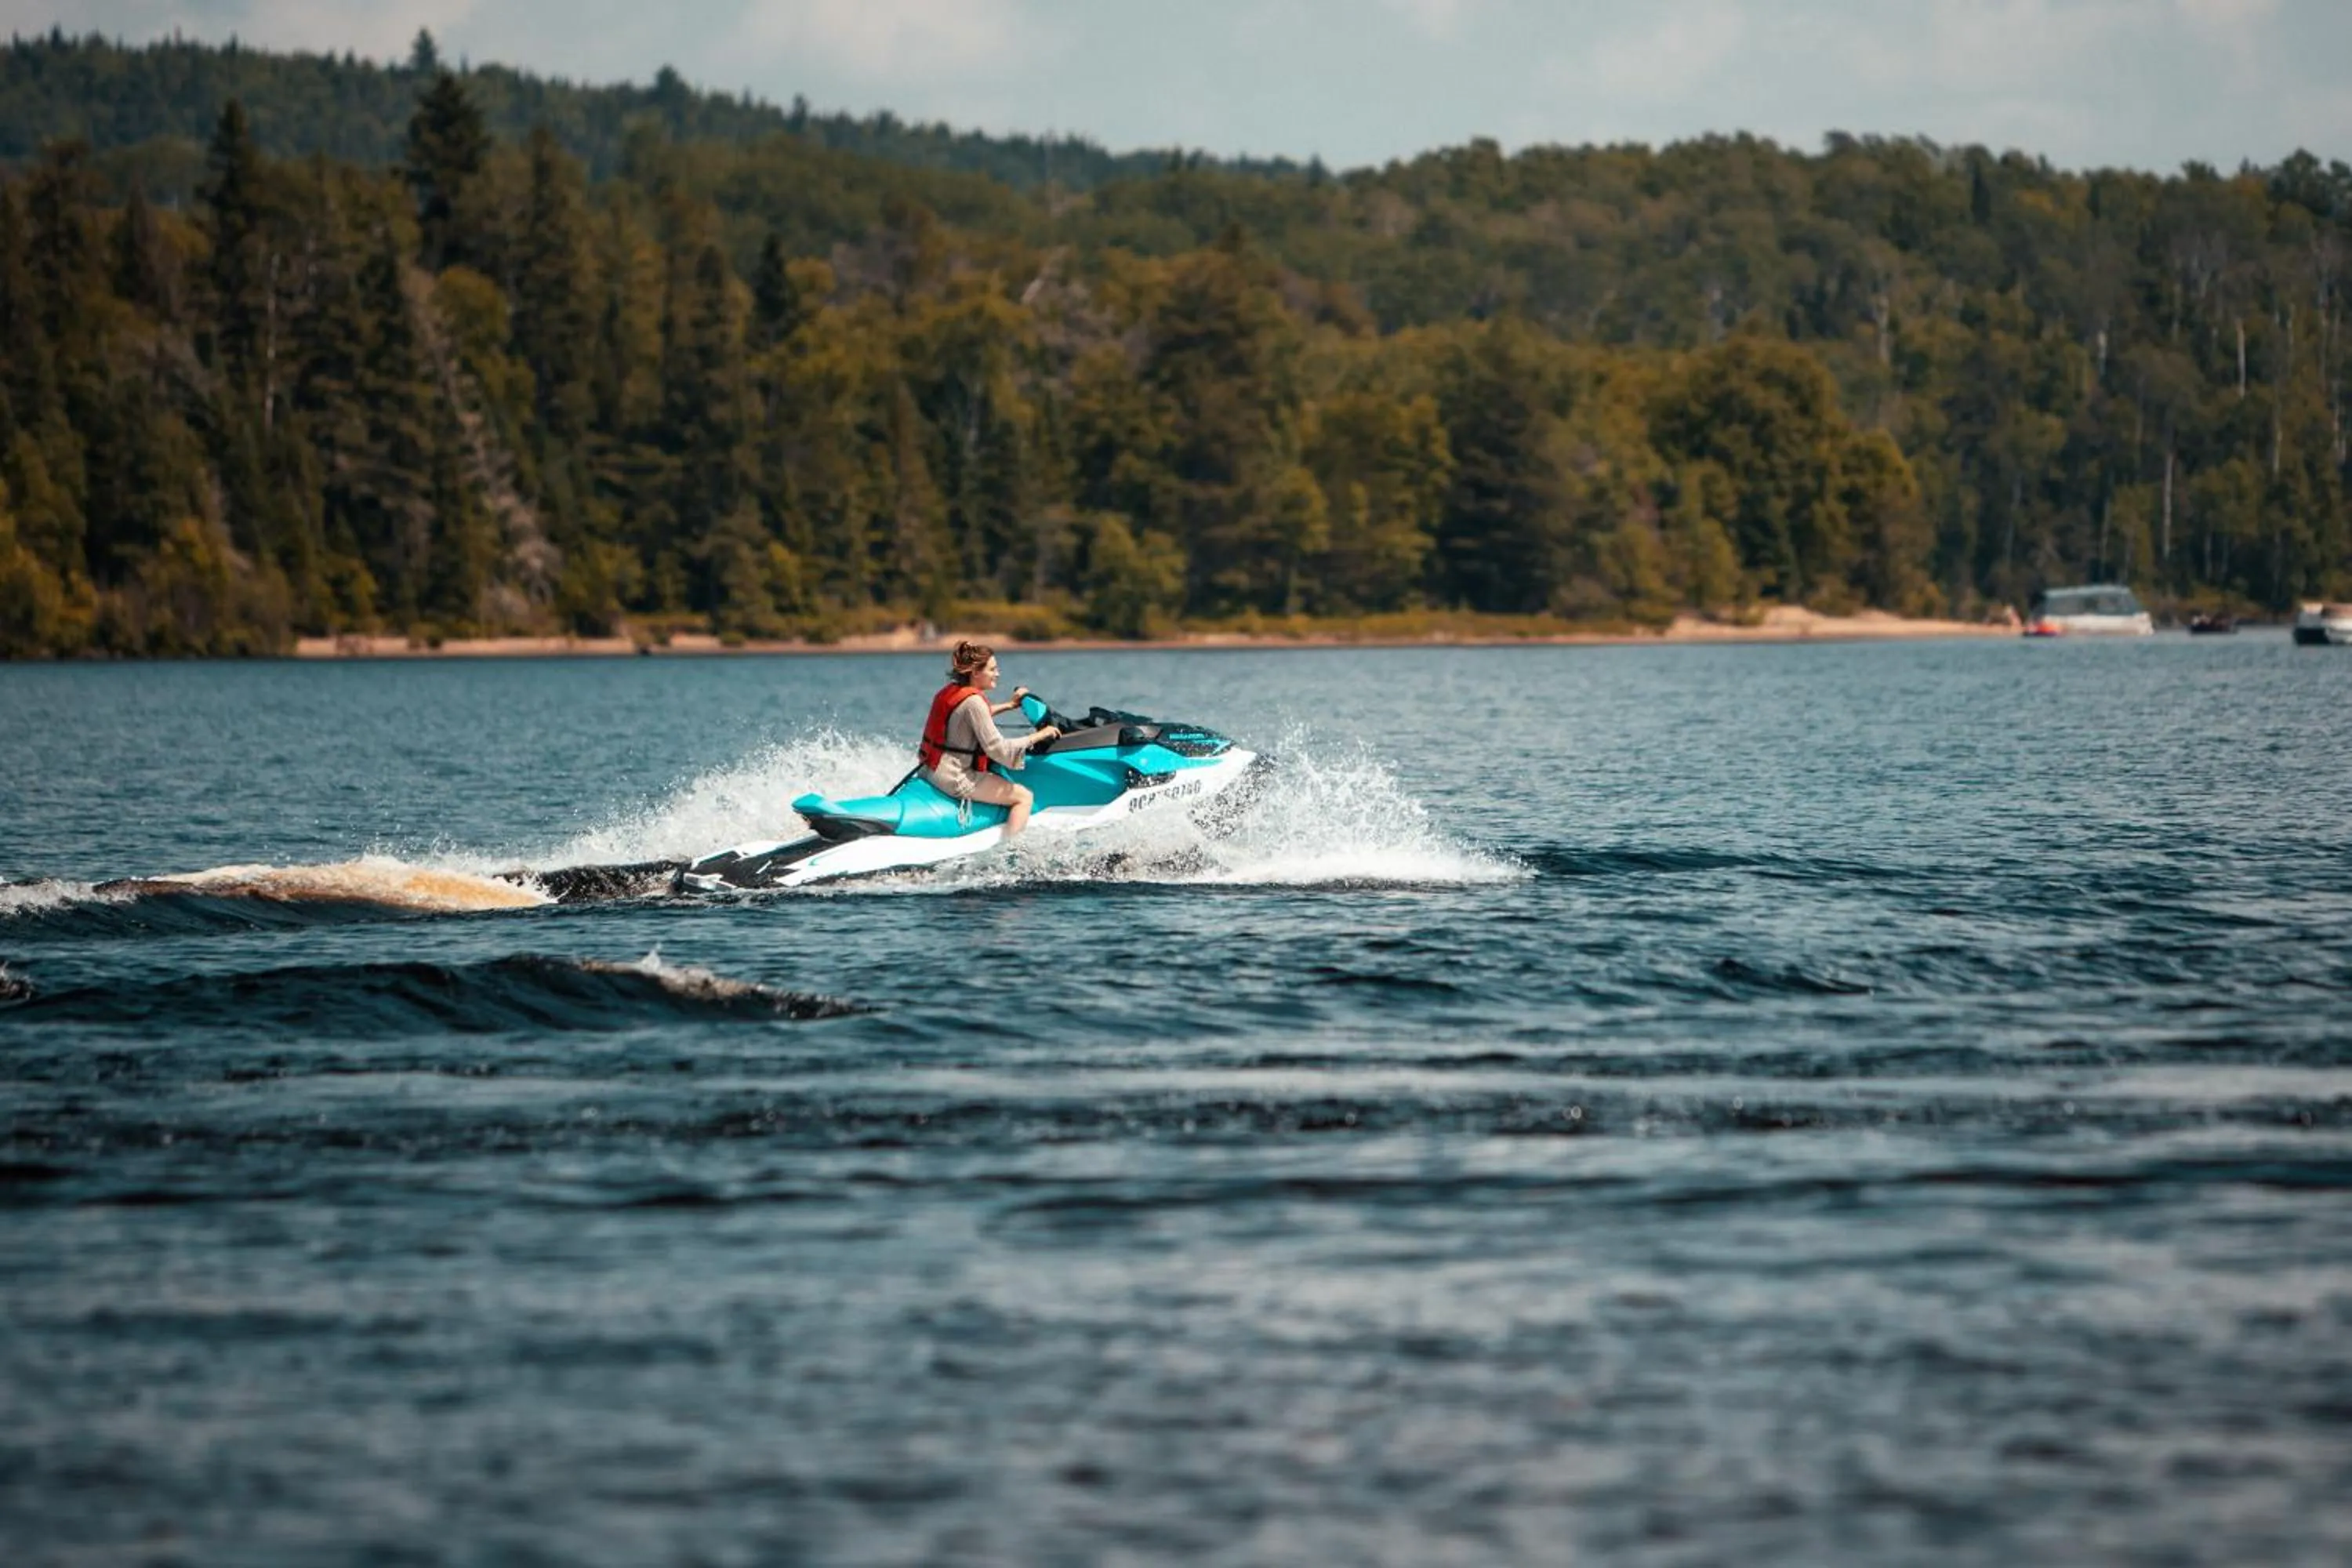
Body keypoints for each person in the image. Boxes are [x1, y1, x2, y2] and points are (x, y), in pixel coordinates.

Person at [916, 641, 1061, 836]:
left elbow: (973, 715)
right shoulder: (974, 702)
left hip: (929, 770)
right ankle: (1010, 846)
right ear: (976, 672)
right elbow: (998, 749)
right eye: (992, 669)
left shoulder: (952, 690)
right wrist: (1040, 735)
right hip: (954, 778)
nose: (997, 674)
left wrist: (1009, 705)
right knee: (1024, 797)